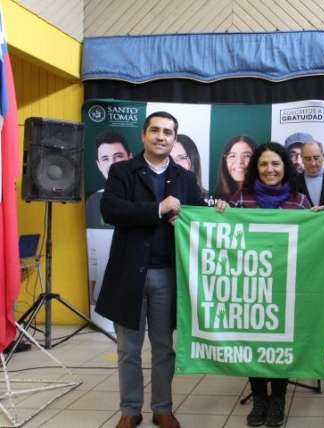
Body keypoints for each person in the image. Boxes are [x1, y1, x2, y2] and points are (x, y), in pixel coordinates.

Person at [96, 111, 203, 428]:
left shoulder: (185, 178)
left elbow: (198, 216)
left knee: (163, 348)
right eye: (155, 130)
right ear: (143, 135)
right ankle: (130, 410)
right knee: (128, 349)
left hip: (168, 274)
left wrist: (216, 209)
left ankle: (162, 408)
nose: (161, 137)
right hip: (128, 274)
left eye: (168, 132)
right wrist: (158, 209)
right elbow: (111, 210)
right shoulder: (122, 171)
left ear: (174, 138)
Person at [216, 142, 310, 427]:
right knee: (253, 343)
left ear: (285, 167)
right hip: (252, 286)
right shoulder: (240, 199)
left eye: (275, 164)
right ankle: (259, 399)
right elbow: (222, 233)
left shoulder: (300, 201)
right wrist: (220, 211)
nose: (270, 169)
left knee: (281, 345)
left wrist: (322, 220)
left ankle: (278, 399)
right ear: (256, 168)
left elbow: (313, 241)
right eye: (264, 164)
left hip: (287, 287)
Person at [86, 131, 132, 229]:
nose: (112, 164)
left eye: (118, 156)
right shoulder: (93, 200)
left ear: (130, 158)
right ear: (99, 165)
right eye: (105, 159)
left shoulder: (145, 193)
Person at [214, 135, 256, 199]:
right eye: (232, 156)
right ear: (225, 161)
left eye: (247, 156)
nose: (239, 161)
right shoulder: (214, 199)